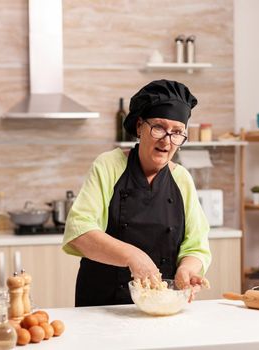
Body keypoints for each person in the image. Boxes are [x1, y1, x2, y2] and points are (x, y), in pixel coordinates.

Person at [62, 79, 211, 307]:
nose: (167, 140)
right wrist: (133, 256)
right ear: (140, 126)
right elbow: (79, 230)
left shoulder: (182, 179)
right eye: (159, 127)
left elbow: (196, 245)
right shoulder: (109, 165)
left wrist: (187, 270)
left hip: (161, 304)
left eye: (177, 132)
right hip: (103, 305)